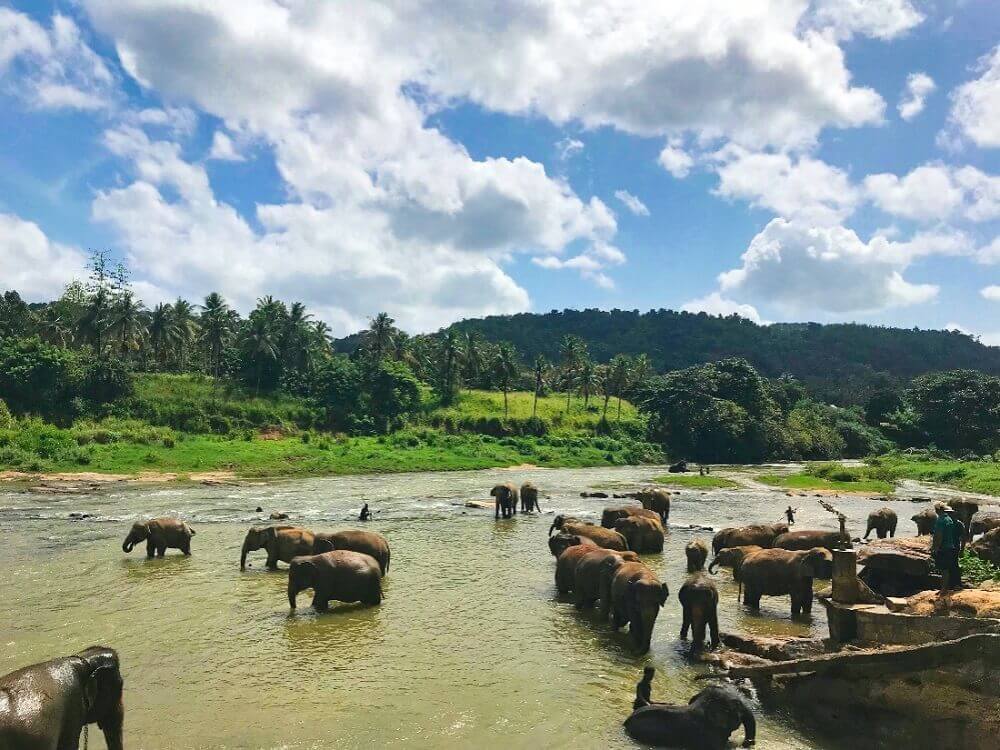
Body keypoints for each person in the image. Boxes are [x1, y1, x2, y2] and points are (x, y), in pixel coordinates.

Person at [931, 502, 965, 593]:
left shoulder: (942, 520)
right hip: (951, 546)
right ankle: (948, 586)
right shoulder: (949, 520)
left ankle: (946, 588)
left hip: (946, 547)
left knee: (946, 568)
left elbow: (939, 535)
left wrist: (935, 547)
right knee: (950, 567)